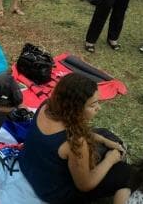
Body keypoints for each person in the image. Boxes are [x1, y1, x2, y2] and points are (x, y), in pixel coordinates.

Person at [19, 73, 131, 204]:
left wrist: (103, 140)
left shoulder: (47, 105)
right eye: (92, 105)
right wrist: (110, 160)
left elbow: (77, 133)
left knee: (103, 133)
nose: (98, 108)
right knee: (126, 172)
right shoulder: (75, 141)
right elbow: (85, 185)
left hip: (30, 167)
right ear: (75, 107)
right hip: (53, 193)